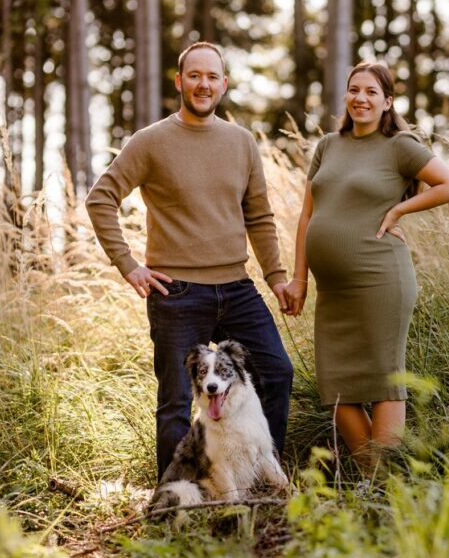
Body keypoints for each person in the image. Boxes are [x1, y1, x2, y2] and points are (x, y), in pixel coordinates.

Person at [85, 42, 294, 482]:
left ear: (223, 83)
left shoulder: (241, 142)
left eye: (212, 76)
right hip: (176, 293)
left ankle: (256, 480)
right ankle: (177, 501)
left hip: (237, 287)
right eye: (194, 75)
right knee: (176, 402)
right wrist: (128, 264)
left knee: (276, 372)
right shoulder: (151, 141)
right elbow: (100, 198)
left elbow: (258, 215)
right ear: (179, 81)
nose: (203, 84)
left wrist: (275, 277)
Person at [284, 62, 449, 473]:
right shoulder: (328, 146)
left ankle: (382, 487)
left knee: (385, 379)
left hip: (380, 277)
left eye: (370, 92)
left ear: (387, 102)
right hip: (332, 290)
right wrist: (299, 278)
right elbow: (306, 216)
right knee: (336, 386)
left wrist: (400, 209)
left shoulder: (399, 145)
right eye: (354, 90)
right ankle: (379, 477)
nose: (360, 98)